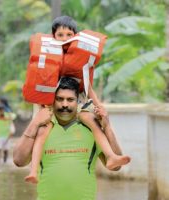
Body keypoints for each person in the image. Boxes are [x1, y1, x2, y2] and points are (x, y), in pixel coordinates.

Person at [24, 16, 131, 184]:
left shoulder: (79, 58)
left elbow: (88, 88)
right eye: (60, 35)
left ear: (76, 36)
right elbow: (39, 86)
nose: (65, 38)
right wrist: (38, 115)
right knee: (42, 131)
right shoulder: (49, 56)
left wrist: (98, 107)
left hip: (77, 102)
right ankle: (33, 171)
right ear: (53, 37)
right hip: (48, 105)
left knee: (91, 120)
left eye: (69, 34)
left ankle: (111, 156)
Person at [13, 77, 129, 199]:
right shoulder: (42, 127)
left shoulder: (91, 127)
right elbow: (19, 161)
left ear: (77, 100)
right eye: (59, 99)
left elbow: (116, 167)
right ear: (52, 100)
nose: (64, 104)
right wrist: (34, 123)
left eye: (70, 99)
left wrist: (108, 127)